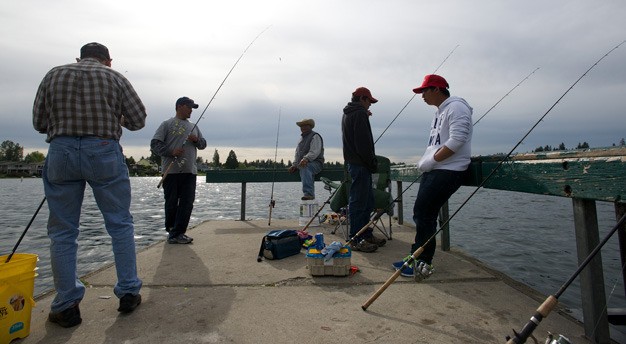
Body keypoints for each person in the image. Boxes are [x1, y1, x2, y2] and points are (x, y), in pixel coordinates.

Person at [32, 42, 146, 327]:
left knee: (62, 231)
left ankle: (66, 304)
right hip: (104, 150)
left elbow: (38, 122)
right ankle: (129, 291)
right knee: (120, 223)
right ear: (108, 61)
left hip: (61, 152)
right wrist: (113, 117)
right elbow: (138, 121)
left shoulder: (53, 74)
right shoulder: (116, 77)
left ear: (79, 58)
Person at [393, 74, 472, 280]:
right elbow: (438, 143)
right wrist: (428, 160)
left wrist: (432, 160)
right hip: (436, 169)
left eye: (424, 91)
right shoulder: (439, 112)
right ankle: (416, 257)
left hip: (449, 170)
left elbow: (457, 140)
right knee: (421, 213)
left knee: (424, 213)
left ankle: (422, 261)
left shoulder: (457, 107)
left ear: (437, 89)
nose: (422, 96)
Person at [151, 96, 207, 244]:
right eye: (189, 107)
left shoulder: (194, 127)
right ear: (180, 106)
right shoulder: (167, 124)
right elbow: (155, 144)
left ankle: (178, 232)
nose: (191, 111)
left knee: (187, 203)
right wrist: (171, 151)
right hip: (171, 172)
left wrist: (196, 140)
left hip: (190, 172)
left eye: (192, 108)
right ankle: (172, 231)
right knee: (171, 202)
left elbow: (203, 145)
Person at [341, 87, 387, 253]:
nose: (370, 106)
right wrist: (372, 163)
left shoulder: (349, 113)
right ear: (362, 99)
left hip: (355, 163)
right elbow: (363, 143)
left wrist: (363, 116)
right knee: (360, 202)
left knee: (367, 202)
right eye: (369, 102)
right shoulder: (359, 113)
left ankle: (366, 234)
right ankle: (356, 238)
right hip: (361, 165)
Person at [287, 118, 325, 200]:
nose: (303, 127)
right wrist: (294, 165)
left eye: (305, 125)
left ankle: (309, 194)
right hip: (303, 163)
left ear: (310, 126)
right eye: (301, 126)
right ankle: (308, 194)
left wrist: (306, 159)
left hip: (316, 163)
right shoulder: (301, 139)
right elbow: (297, 154)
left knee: (305, 167)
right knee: (303, 166)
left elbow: (314, 152)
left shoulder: (315, 136)